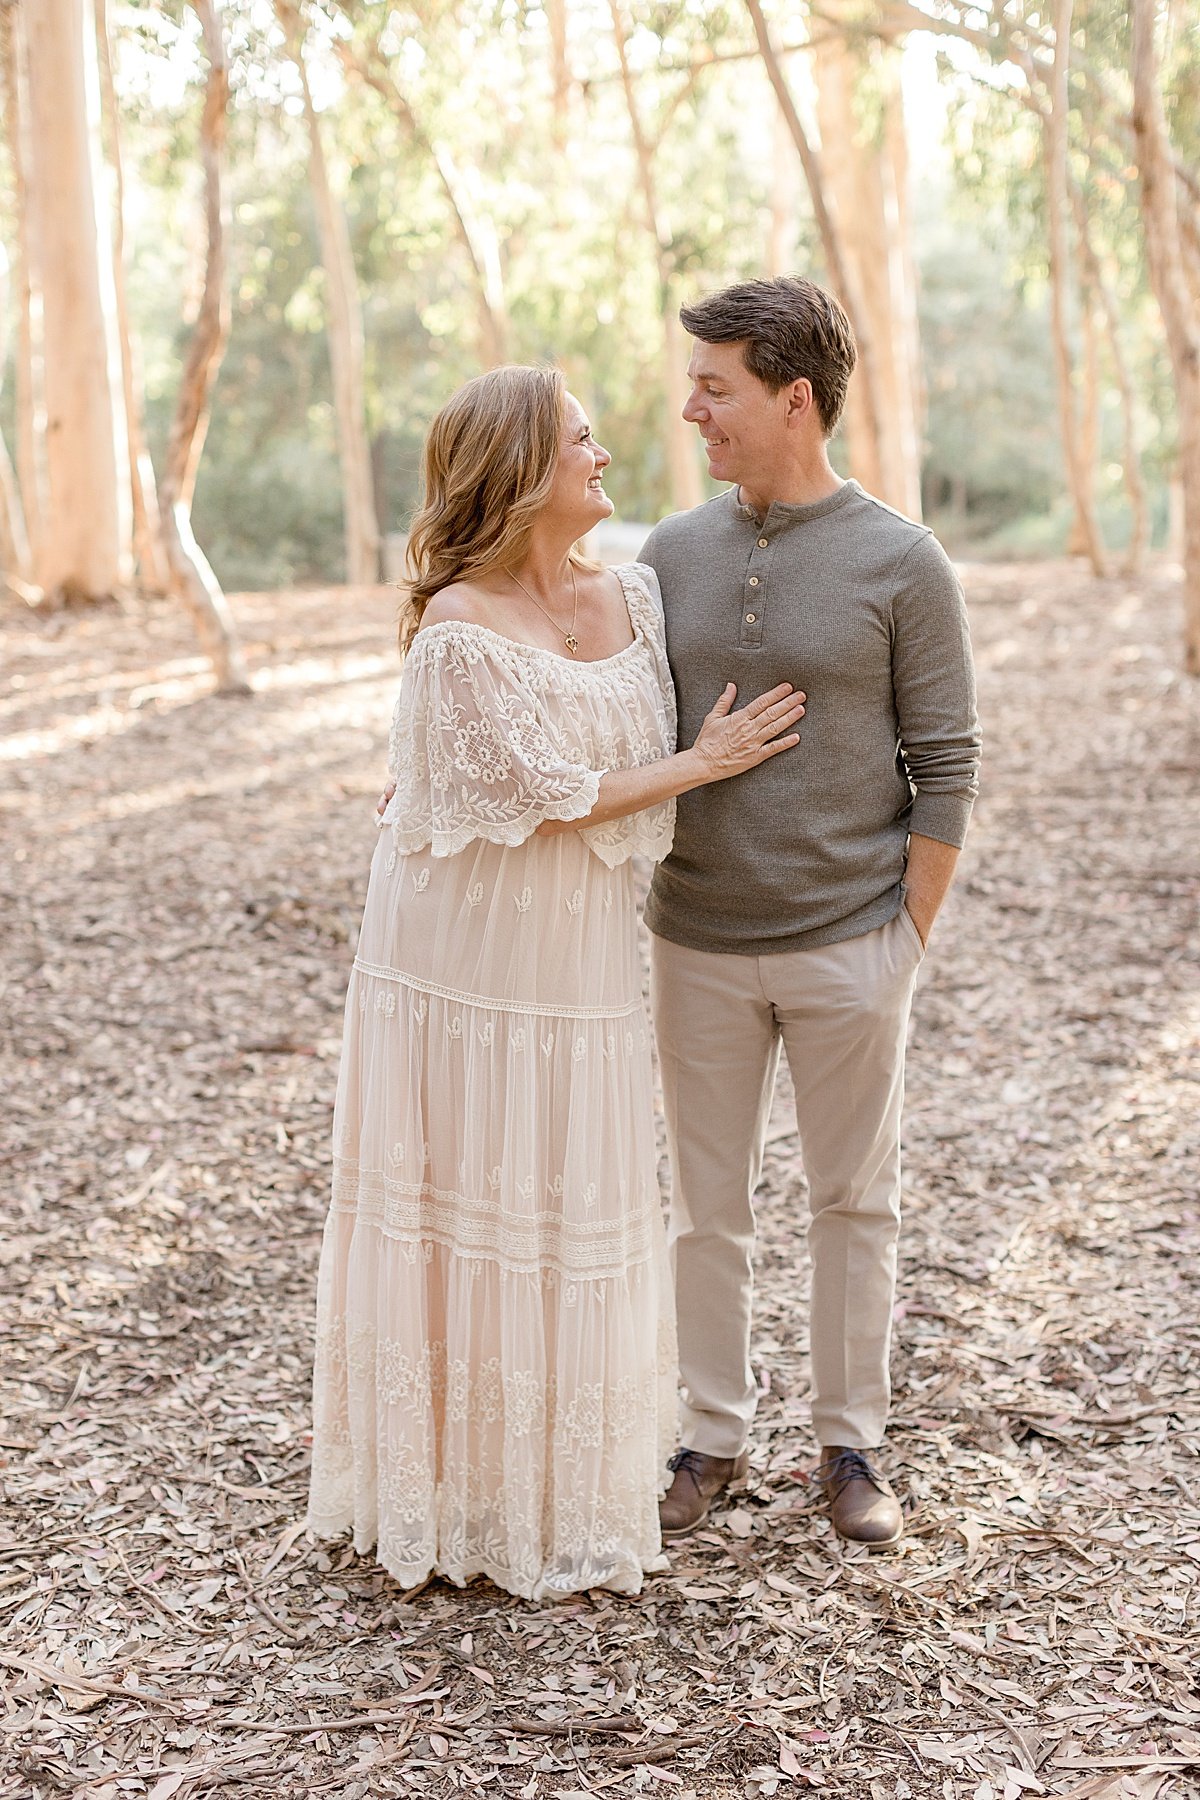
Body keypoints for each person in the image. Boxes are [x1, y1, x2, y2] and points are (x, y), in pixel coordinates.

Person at [306, 364, 807, 1600]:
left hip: (578, 956)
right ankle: (458, 1494)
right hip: (462, 958)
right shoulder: (458, 629)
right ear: (523, 470)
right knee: (467, 1189)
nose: (606, 451)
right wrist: (703, 763)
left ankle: (555, 1482)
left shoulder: (635, 590)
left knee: (566, 1194)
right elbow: (543, 796)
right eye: (582, 438)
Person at [640, 277, 982, 1549]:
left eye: (716, 388)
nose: (693, 411)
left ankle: (851, 1446)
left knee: (854, 1200)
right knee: (706, 1206)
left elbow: (947, 762)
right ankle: (712, 1438)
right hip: (697, 939)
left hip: (852, 942)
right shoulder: (669, 553)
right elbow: (614, 725)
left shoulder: (904, 561)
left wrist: (905, 938)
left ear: (795, 398)